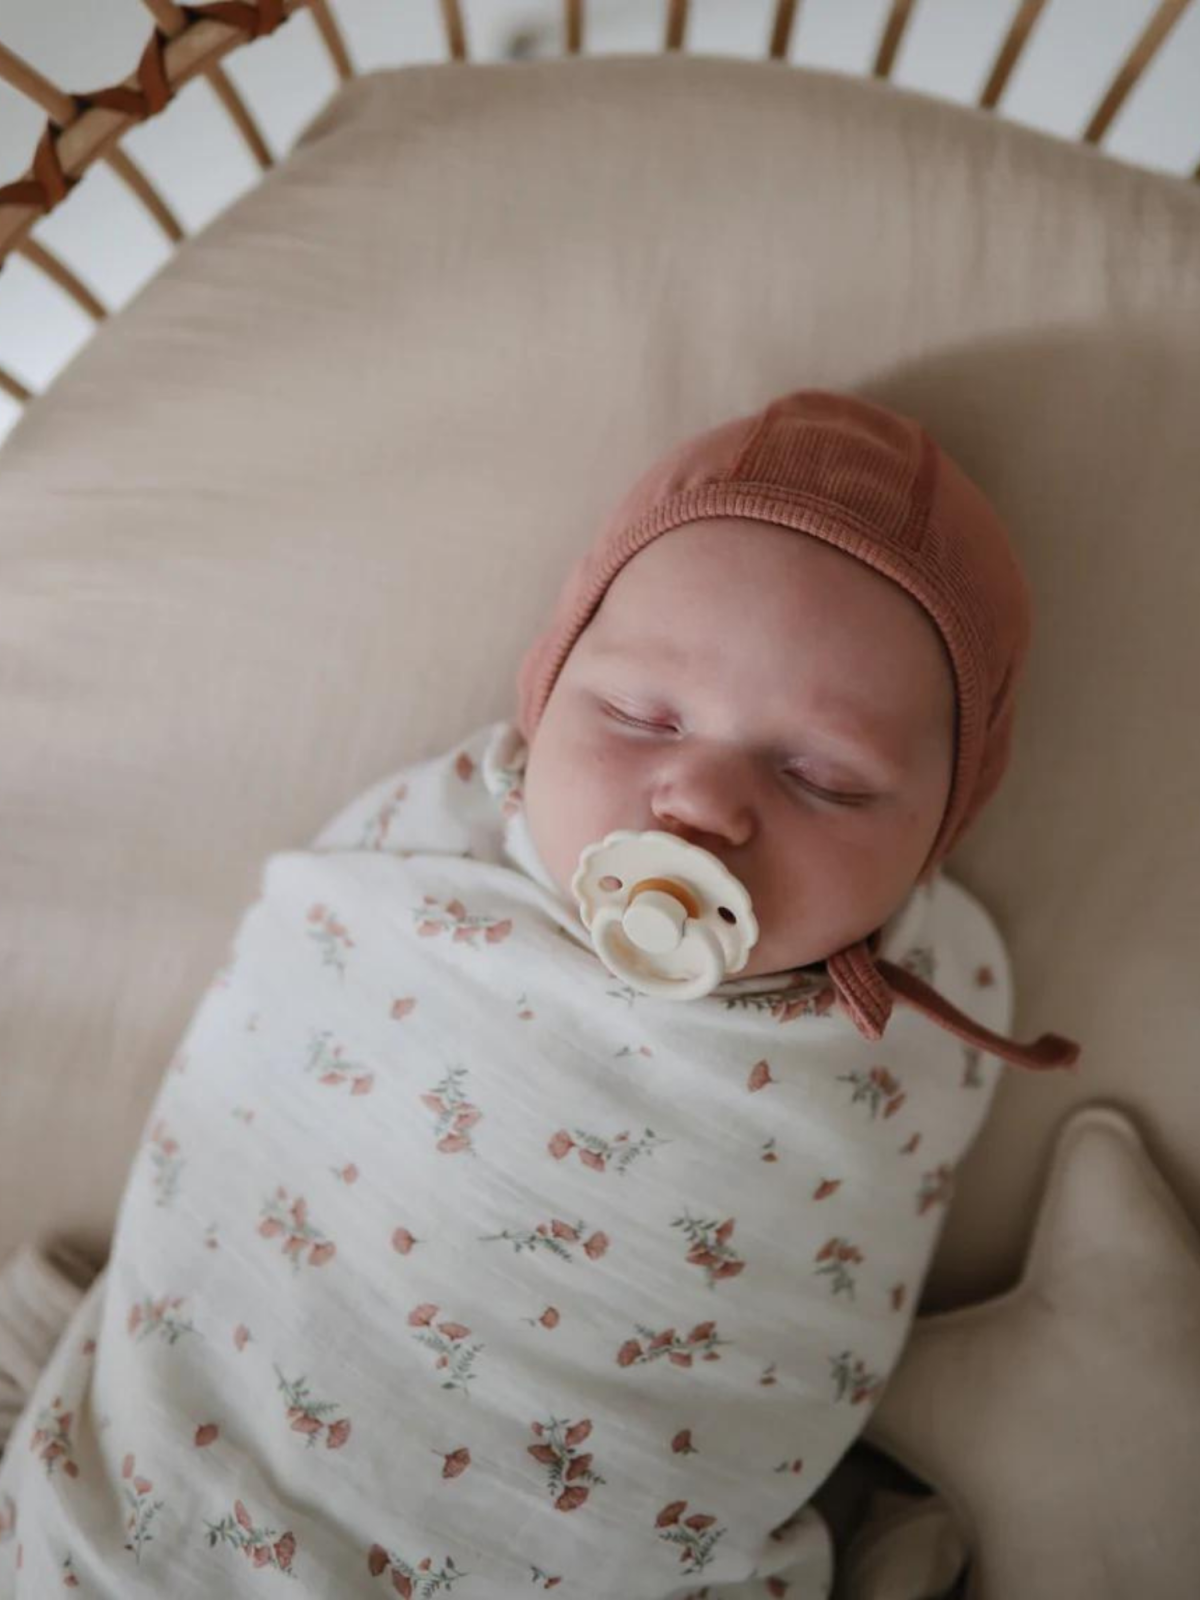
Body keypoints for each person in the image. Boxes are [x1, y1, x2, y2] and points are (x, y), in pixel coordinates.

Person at [0, 390, 1079, 1597]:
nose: (702, 800)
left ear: (937, 833)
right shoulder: (432, 855)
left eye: (821, 776)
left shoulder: (923, 1012)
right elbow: (279, 1064)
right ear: (545, 697)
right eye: (638, 714)